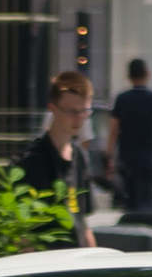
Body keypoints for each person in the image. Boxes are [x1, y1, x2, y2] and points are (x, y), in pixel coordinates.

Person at [18, 71, 97, 248]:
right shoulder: (32, 161)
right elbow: (22, 229)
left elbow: (83, 222)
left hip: (75, 260)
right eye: (71, 112)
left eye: (84, 111)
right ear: (52, 108)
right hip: (46, 261)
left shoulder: (80, 156)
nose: (78, 119)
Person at [109, 58, 152, 210]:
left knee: (130, 197)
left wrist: (109, 155)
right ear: (148, 74)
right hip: (150, 154)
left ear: (129, 76)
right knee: (148, 196)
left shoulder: (122, 99)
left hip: (127, 155)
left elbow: (113, 130)